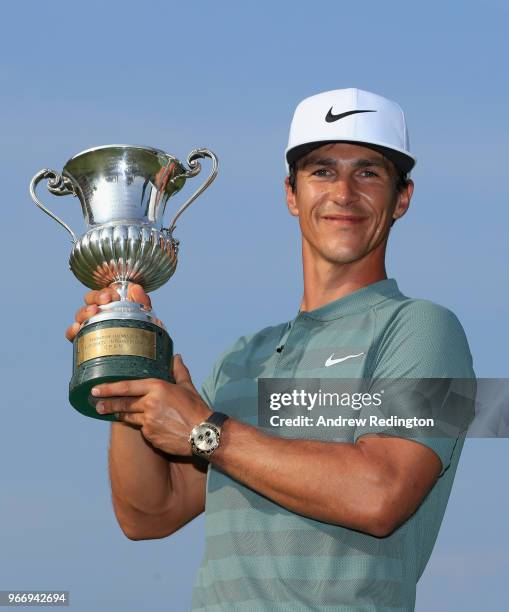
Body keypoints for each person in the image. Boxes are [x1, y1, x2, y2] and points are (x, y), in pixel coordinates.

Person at [65, 88, 475, 611]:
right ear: (291, 193)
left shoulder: (429, 330)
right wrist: (132, 365)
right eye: (322, 171)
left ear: (402, 198)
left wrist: (205, 430)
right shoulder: (242, 357)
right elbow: (149, 515)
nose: (344, 193)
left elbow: (381, 495)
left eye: (368, 172)